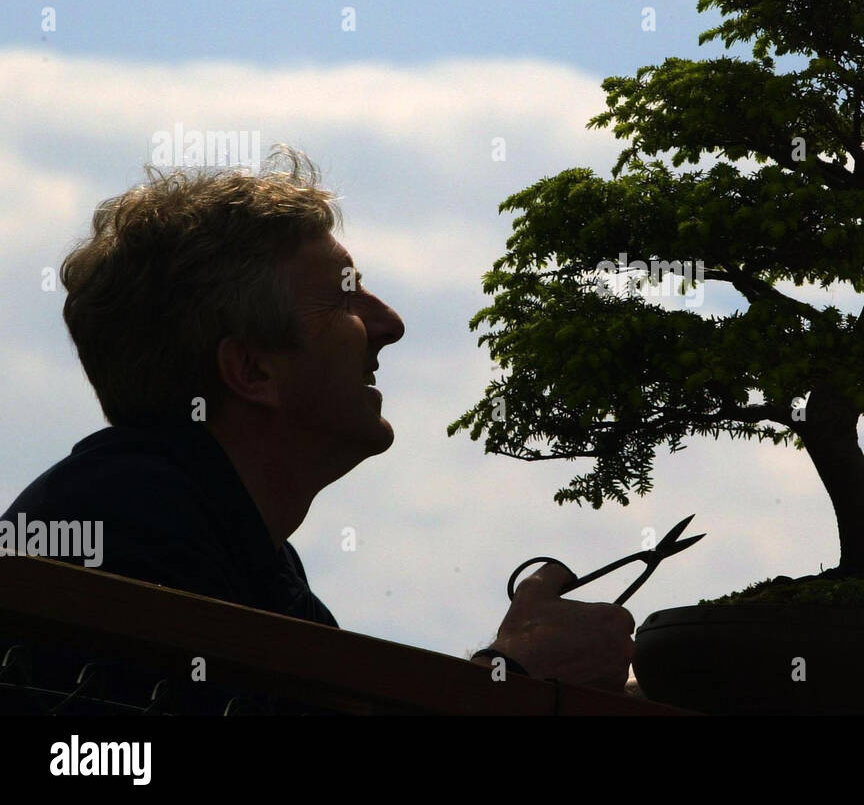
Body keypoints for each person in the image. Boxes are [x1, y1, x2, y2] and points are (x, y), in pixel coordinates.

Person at [1, 146, 633, 696]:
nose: (389, 324)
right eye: (344, 297)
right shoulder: (131, 527)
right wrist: (514, 677)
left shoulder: (227, 541)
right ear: (253, 371)